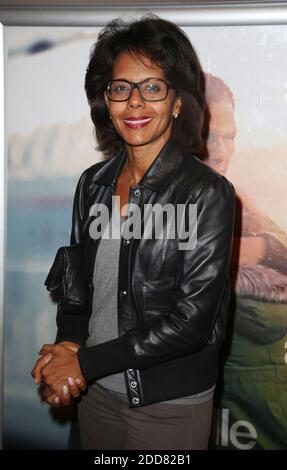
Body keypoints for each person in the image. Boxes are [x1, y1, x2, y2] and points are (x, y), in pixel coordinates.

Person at [31, 16, 235, 450]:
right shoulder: (93, 183)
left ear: (177, 101)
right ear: (106, 100)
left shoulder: (208, 194)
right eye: (121, 88)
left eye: (153, 87)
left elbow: (190, 324)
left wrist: (82, 363)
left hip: (169, 403)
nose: (135, 103)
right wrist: (66, 347)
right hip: (97, 392)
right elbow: (75, 285)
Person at [202, 73, 287, 449]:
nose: (221, 150)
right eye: (209, 135)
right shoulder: (160, 213)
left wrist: (258, 248)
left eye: (229, 137)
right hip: (222, 419)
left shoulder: (237, 201)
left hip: (266, 417)